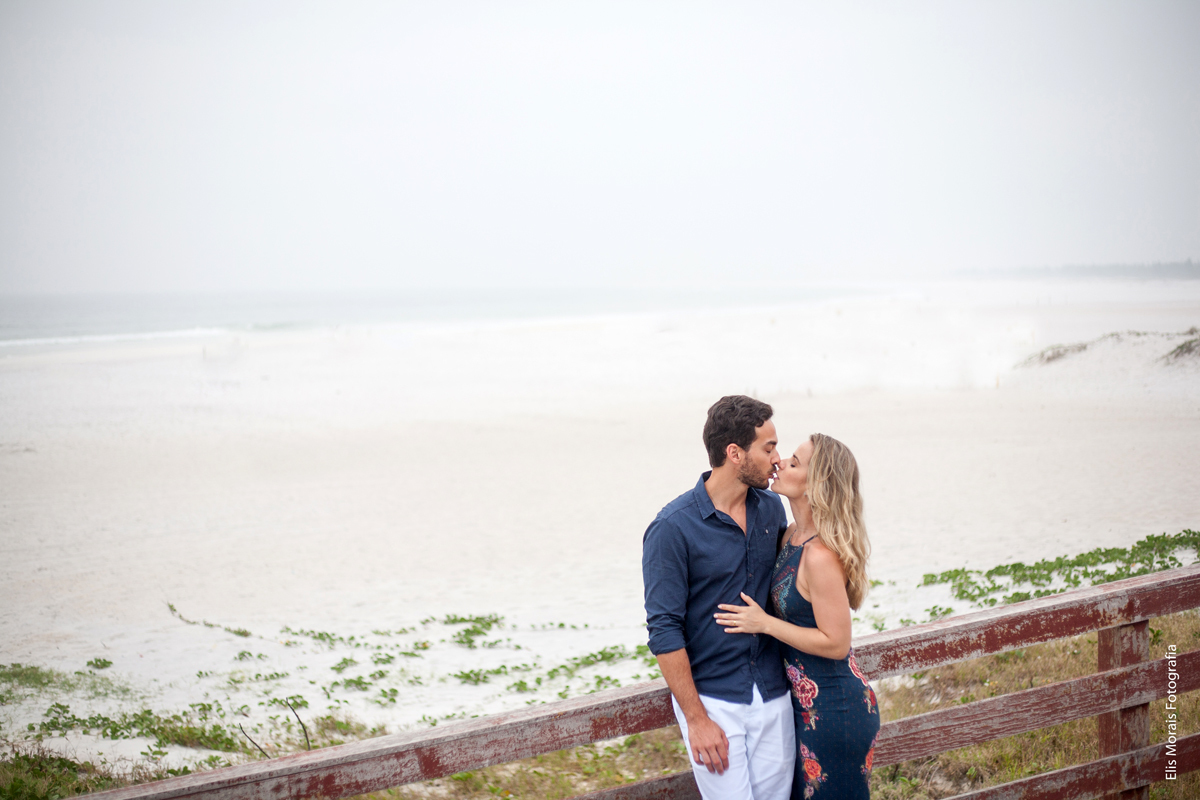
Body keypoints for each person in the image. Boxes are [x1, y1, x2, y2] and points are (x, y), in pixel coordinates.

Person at [642, 395, 796, 800]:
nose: (777, 458)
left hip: (773, 693)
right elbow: (664, 629)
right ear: (734, 453)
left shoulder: (771, 509)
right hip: (714, 702)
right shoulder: (671, 528)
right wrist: (697, 719)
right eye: (768, 447)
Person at [714, 433, 879, 800]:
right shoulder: (791, 535)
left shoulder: (820, 555)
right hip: (804, 708)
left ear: (816, 482)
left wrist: (764, 623)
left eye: (794, 461)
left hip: (836, 709)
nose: (781, 463)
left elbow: (837, 643)